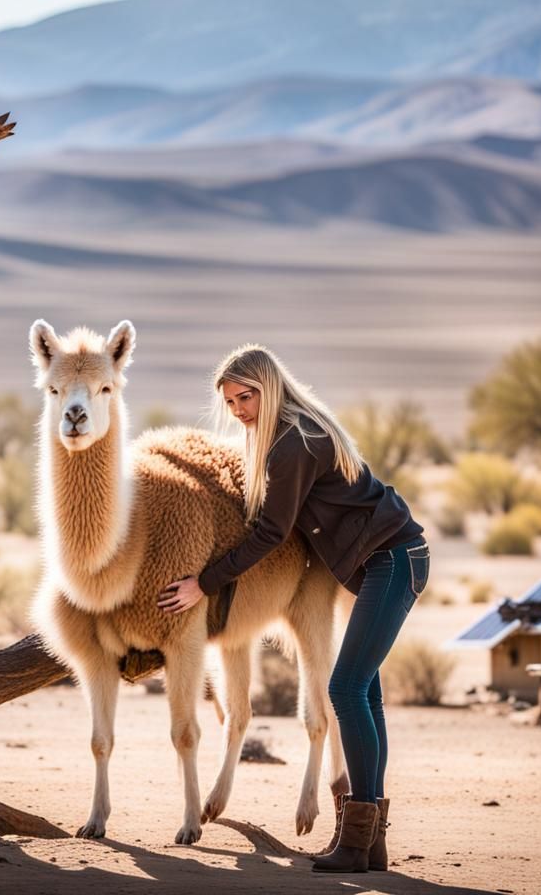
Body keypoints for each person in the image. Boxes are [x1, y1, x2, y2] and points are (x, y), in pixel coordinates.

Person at [157, 344, 430, 873]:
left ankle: (356, 840)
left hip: (394, 561)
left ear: (270, 387)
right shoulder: (287, 431)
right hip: (383, 563)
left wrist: (204, 583)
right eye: (231, 402)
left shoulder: (291, 443)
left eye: (246, 397)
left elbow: (271, 532)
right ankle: (370, 843)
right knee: (365, 693)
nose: (238, 410)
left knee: (345, 689)